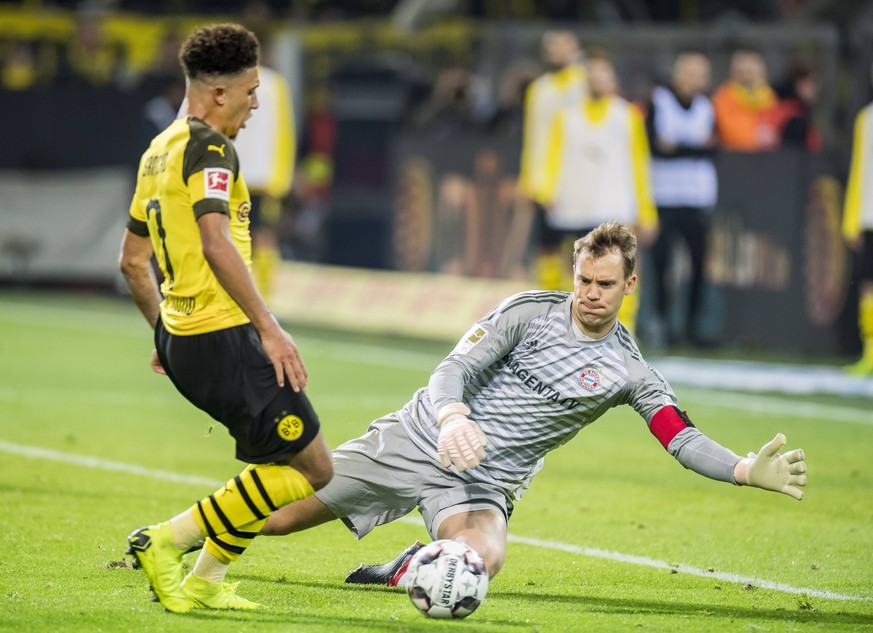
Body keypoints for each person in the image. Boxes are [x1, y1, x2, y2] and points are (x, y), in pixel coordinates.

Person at [257, 222, 807, 587]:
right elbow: (454, 369)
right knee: (272, 519)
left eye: (605, 284)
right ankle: (175, 536)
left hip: (482, 483)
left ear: (630, 284)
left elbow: (678, 437)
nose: (591, 293)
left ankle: (411, 569)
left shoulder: (630, 371)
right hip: (418, 438)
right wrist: (452, 416)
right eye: (584, 280)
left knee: (479, 565)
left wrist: (740, 468)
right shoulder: (527, 313)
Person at [118, 23, 333, 613]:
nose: (257, 104)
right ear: (217, 94)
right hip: (225, 334)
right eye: (250, 91)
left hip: (187, 338)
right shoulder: (211, 147)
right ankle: (166, 540)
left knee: (271, 461)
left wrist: (164, 333)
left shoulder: (157, 149)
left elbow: (133, 263)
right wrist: (270, 328)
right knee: (314, 470)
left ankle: (206, 580)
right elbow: (217, 243)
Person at [539, 53, 658, 334]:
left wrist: (647, 211)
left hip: (613, 206)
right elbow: (552, 157)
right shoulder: (566, 117)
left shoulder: (627, 116)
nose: (597, 82)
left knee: (619, 271)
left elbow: (639, 164)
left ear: (613, 80)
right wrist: (548, 190)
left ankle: (622, 331)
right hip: (571, 205)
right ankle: (558, 328)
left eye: (603, 75)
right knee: (565, 268)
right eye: (592, 76)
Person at [645, 50, 718, 349]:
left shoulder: (706, 106)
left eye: (699, 72)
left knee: (699, 263)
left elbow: (713, 148)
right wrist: (693, 147)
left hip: (697, 197)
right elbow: (657, 148)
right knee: (662, 264)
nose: (692, 78)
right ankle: (661, 323)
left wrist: (678, 147)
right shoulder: (658, 101)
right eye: (687, 71)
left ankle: (692, 328)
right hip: (663, 195)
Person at [517, 30, 587, 290]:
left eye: (564, 45)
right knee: (547, 245)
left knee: (581, 246)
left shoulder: (584, 83)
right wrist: (527, 180)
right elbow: (532, 136)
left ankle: (576, 305)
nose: (557, 51)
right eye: (553, 47)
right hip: (544, 182)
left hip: (578, 179)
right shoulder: (539, 89)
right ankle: (549, 301)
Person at [232, 62, 296, 300]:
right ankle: (252, 295)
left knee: (260, 235)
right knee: (256, 235)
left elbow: (283, 129)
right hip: (245, 173)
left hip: (255, 175)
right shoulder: (269, 83)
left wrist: (280, 178)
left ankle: (263, 296)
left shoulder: (271, 83)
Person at [842, 63, 873, 376]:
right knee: (868, 284)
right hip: (870, 217)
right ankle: (871, 353)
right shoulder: (867, 117)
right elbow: (861, 169)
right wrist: (851, 218)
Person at [711, 47, 778, 151]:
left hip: (767, 160)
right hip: (733, 159)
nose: (747, 68)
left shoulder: (772, 100)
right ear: (732, 69)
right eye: (742, 62)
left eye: (752, 62)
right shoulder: (721, 99)